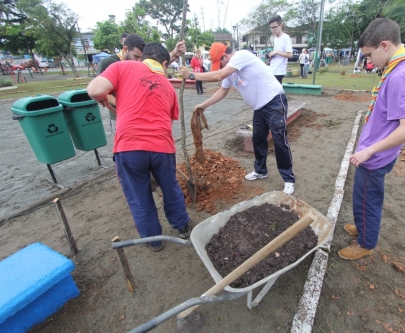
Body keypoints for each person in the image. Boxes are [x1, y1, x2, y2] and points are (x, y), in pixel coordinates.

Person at [87, 43, 192, 252]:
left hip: (129, 147)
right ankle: (182, 227)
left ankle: (154, 241)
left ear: (144, 57)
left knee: (139, 196)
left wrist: (106, 98)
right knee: (170, 188)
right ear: (164, 63)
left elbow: (94, 90)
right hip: (162, 147)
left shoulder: (123, 67)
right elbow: (165, 120)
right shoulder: (168, 86)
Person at [337, 18, 405, 260]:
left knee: (367, 200)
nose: (369, 61)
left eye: (369, 54)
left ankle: (365, 243)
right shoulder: (401, 67)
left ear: (384, 45)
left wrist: (369, 150)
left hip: (375, 156)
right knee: (365, 197)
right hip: (378, 151)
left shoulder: (400, 76)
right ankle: (364, 227)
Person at [179, 42, 296, 195]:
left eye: (219, 62)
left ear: (225, 55)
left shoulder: (242, 55)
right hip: (259, 108)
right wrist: (204, 105)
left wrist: (191, 75)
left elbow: (218, 76)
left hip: (274, 101)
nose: (219, 67)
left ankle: (288, 179)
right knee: (258, 139)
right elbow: (222, 90)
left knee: (280, 140)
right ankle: (261, 171)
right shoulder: (230, 72)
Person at [97, 34, 185, 135]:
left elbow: (157, 63)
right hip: (120, 115)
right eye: (136, 56)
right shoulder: (109, 63)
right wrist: (124, 105)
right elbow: (100, 91)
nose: (139, 61)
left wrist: (174, 53)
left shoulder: (142, 63)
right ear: (125, 49)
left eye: (141, 58)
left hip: (143, 114)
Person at [268, 15, 293, 83]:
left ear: (280, 26)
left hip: (279, 71)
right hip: (273, 69)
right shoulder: (276, 38)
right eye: (271, 27)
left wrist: (276, 52)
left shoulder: (285, 38)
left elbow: (290, 54)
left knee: (276, 92)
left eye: (275, 27)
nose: (273, 29)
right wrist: (272, 54)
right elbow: (277, 51)